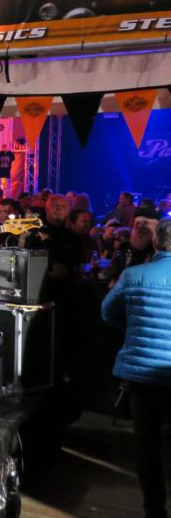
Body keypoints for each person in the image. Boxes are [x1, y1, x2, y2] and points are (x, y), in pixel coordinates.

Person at [102, 218, 171, 518]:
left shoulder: (133, 275)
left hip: (144, 373)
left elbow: (107, 312)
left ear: (155, 243)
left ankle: (155, 510)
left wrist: (134, 328)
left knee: (147, 443)